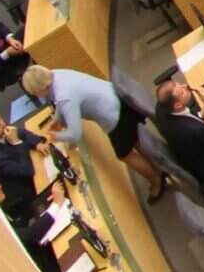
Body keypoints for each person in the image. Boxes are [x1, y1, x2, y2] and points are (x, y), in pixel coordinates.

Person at [20, 64, 166, 198]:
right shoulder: (56, 74)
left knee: (124, 154)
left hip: (114, 115)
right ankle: (158, 168)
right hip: (116, 97)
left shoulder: (64, 96)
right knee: (135, 139)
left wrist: (56, 136)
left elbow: (75, 133)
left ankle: (156, 181)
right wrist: (58, 118)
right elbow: (58, 101)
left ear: (40, 89)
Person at [0, 107, 47, 214]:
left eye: (0, 120)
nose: (3, 124)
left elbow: (24, 133)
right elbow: (27, 171)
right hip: (27, 187)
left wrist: (37, 143)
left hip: (31, 163)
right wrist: (17, 142)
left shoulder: (1, 127)